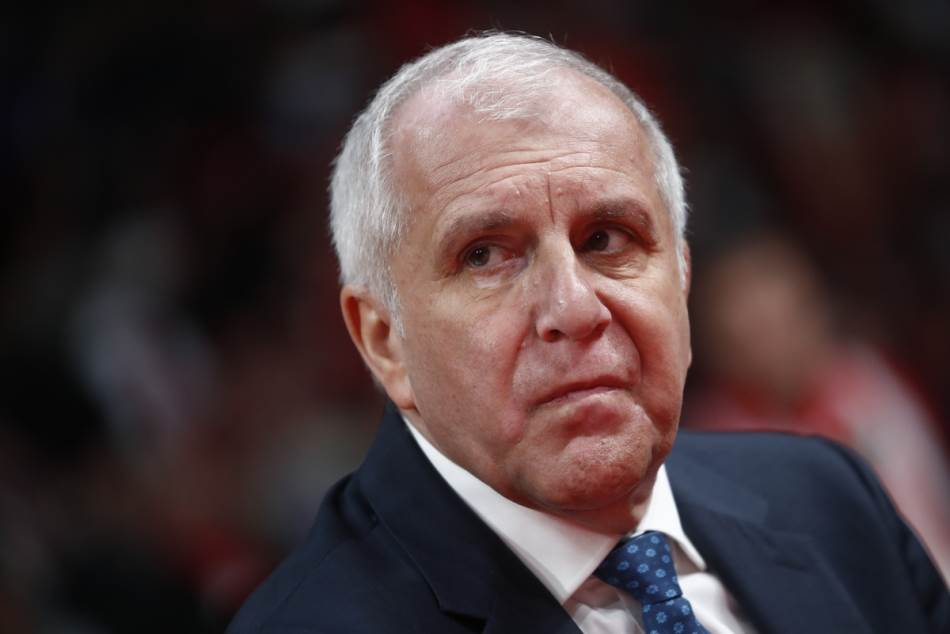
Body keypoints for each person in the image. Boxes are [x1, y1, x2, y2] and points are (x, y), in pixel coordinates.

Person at [227, 32, 949, 633]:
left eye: (607, 238)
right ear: (384, 340)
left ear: (682, 278)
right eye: (485, 256)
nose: (573, 309)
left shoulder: (830, 501)